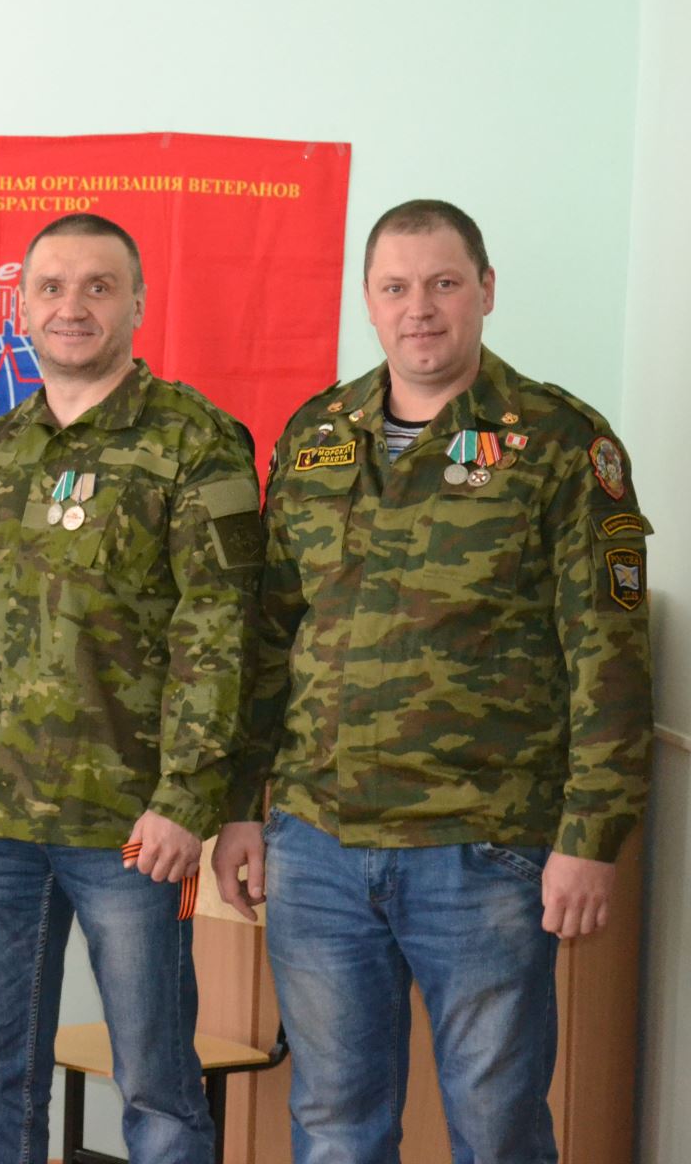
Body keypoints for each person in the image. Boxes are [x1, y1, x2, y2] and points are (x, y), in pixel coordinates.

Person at [213, 199, 655, 1162]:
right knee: (333, 1121)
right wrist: (244, 806)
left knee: (495, 1127)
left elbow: (609, 657)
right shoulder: (318, 435)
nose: (422, 308)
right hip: (318, 847)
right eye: (397, 288)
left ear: (486, 292)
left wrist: (591, 837)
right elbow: (269, 640)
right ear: (368, 303)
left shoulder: (562, 444)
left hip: (484, 848)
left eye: (445, 283)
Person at [0, 213, 260, 1162]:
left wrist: (189, 801)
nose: (74, 307)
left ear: (138, 302)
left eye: (98, 286)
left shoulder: (196, 440)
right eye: (53, 288)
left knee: (154, 1086)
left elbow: (219, 632)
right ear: (21, 308)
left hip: (132, 831)